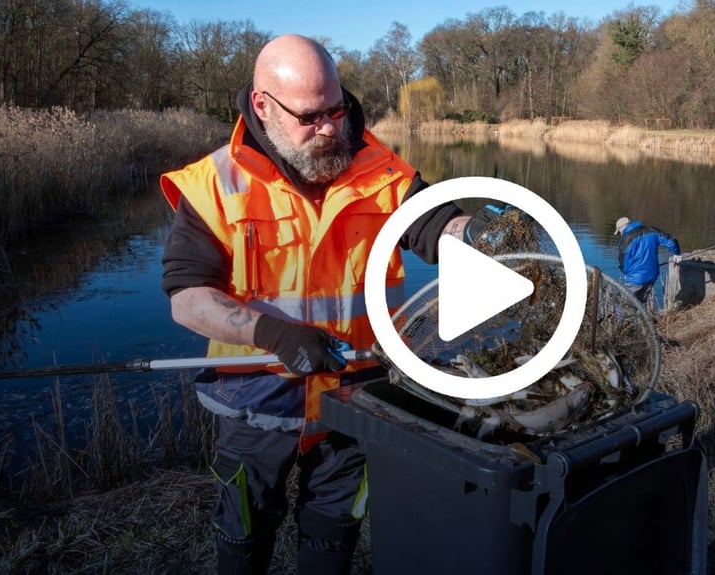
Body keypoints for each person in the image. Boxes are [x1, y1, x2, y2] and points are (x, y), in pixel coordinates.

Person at [159, 35, 492, 575]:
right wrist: (274, 334)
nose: (331, 128)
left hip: (357, 394)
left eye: (337, 109)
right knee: (244, 532)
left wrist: (482, 237)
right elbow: (187, 299)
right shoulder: (214, 183)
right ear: (262, 105)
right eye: (311, 116)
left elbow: (438, 224)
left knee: (333, 534)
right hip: (255, 394)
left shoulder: (383, 171)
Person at [614, 216, 682, 311]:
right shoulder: (652, 230)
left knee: (620, 305)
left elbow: (623, 262)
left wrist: (626, 272)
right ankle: (644, 324)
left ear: (622, 227)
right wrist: (677, 254)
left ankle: (622, 325)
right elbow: (670, 241)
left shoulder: (626, 238)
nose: (620, 234)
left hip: (635, 279)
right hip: (652, 276)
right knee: (641, 304)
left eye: (619, 232)